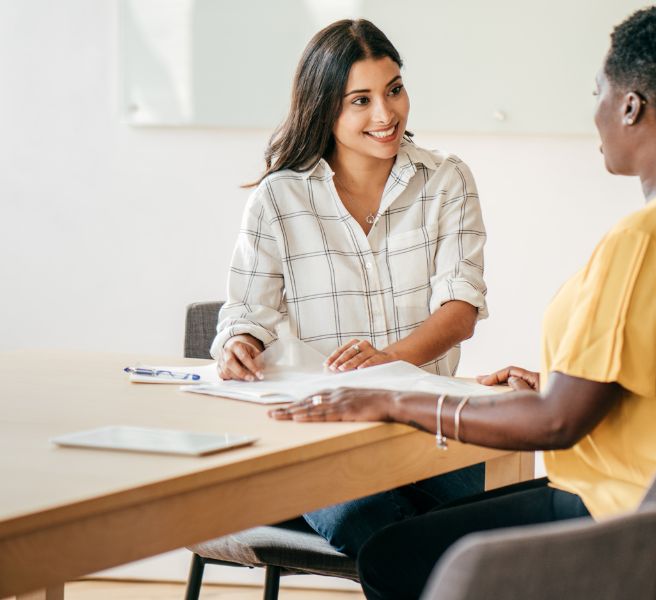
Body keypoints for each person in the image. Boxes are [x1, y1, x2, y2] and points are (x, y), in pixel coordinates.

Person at [270, 4, 656, 598]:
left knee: (392, 556)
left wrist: (392, 399)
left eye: (598, 92)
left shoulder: (644, 241)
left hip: (628, 519)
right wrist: (556, 384)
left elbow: (558, 424)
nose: (594, 112)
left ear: (630, 106)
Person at [211, 19, 488, 556]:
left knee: (489, 521)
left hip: (428, 435)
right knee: (381, 527)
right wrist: (239, 345)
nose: (385, 114)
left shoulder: (446, 179)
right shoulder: (278, 199)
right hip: (321, 443)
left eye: (394, 90)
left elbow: (460, 310)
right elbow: (245, 313)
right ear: (324, 108)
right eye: (360, 100)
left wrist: (385, 363)